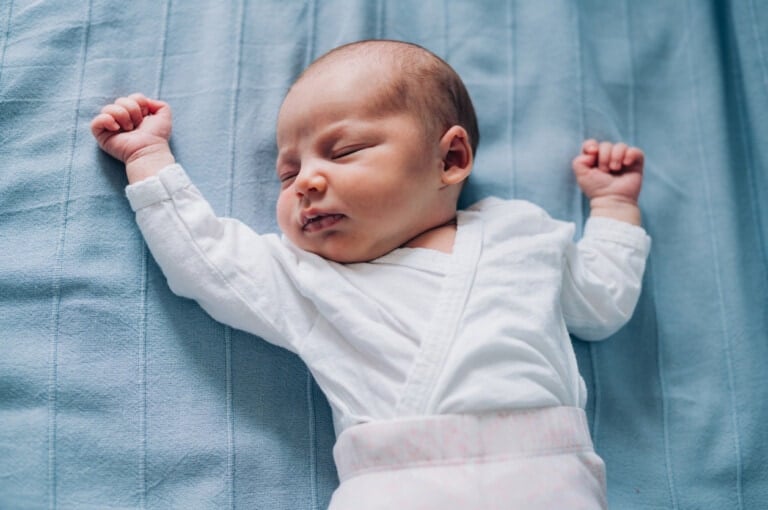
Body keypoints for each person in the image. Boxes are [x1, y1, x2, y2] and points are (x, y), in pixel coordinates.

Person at [91, 40, 650, 509]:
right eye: (288, 174)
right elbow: (206, 261)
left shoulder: (524, 233)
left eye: (345, 150)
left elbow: (601, 303)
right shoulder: (308, 278)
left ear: (450, 159)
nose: (306, 181)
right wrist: (148, 159)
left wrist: (614, 208)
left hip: (549, 481)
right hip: (398, 485)